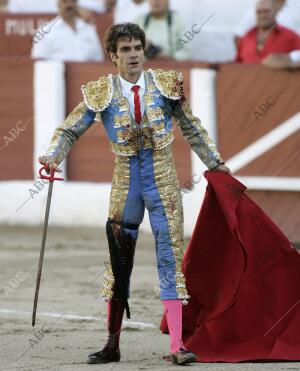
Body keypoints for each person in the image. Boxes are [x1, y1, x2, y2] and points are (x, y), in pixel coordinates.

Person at [38, 22, 231, 365]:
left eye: (137, 48)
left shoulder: (166, 85)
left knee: (170, 257)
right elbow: (69, 130)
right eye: (125, 50)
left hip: (163, 181)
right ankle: (112, 343)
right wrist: (54, 155)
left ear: (144, 50)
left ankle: (177, 344)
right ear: (113, 56)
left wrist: (215, 163)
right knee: (118, 260)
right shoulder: (102, 92)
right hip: (126, 182)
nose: (133, 55)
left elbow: (192, 126)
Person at [31, 0, 104, 62]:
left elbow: (98, 59)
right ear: (58, 4)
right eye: (65, 1)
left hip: (87, 76)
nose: (69, 5)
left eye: (73, 1)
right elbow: (39, 61)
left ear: (77, 4)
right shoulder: (45, 31)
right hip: (57, 76)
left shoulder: (88, 29)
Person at [236, 0, 300, 64]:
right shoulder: (246, 38)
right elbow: (237, 63)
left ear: (275, 12)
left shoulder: (291, 37)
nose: (262, 15)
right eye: (259, 12)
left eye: (266, 11)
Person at [235, 0, 300, 40]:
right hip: (266, 59)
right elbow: (240, 37)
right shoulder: (258, 9)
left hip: (293, 58)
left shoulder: (296, 6)